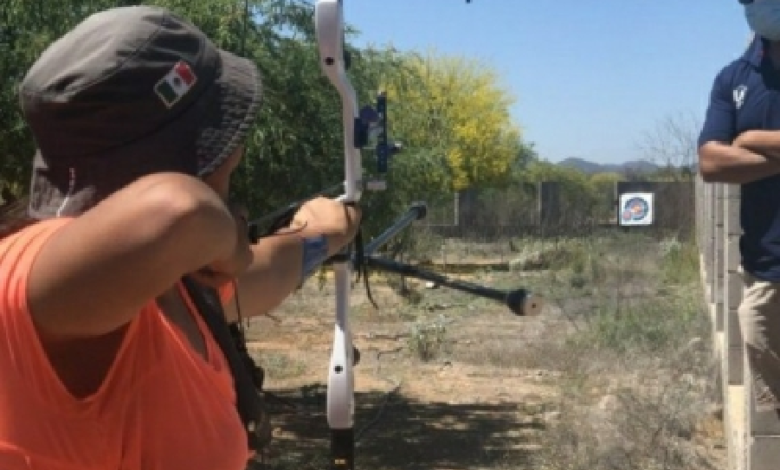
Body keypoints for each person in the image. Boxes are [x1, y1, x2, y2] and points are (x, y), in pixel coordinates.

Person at [0, 5, 361, 470]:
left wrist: (325, 232)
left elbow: (264, 270)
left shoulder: (171, 280)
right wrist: (227, 239)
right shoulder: (32, 276)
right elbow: (180, 210)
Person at [698, 0, 780, 416]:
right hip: (768, 268)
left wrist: (752, 138)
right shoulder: (733, 78)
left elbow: (730, 151)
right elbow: (711, 162)